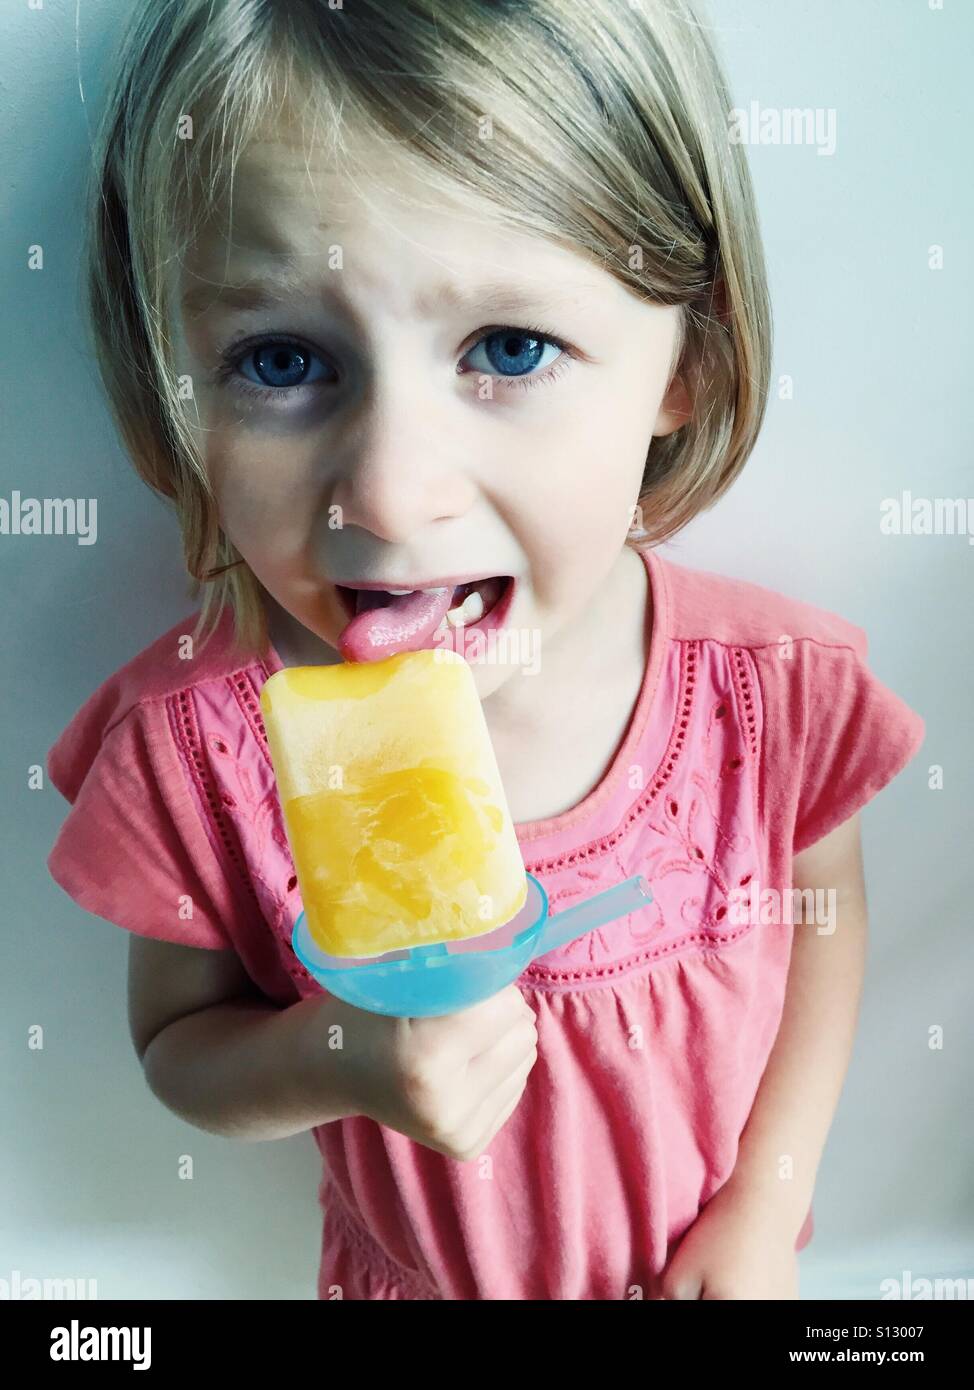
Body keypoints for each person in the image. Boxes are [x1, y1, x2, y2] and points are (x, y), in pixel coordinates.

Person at [46, 0, 925, 1299]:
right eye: (281, 358)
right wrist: (338, 1049)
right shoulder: (204, 748)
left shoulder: (764, 696)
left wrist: (764, 1198)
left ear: (687, 359)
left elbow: (820, 917)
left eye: (508, 348)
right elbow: (179, 1047)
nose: (391, 495)